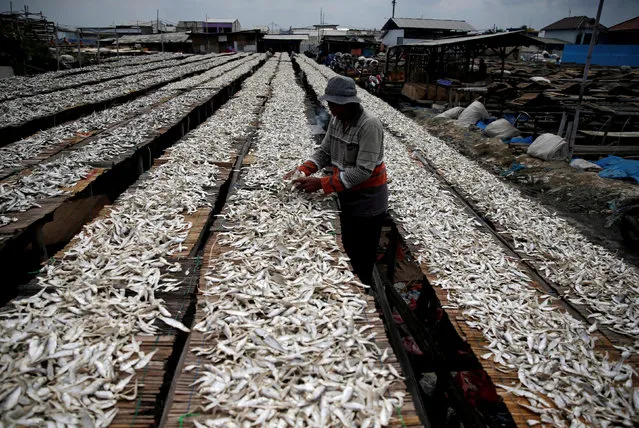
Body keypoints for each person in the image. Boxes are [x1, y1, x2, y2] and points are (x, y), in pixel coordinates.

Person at [284, 76, 388, 285]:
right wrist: (303, 171)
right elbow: (325, 152)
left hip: (368, 202)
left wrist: (321, 184)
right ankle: (347, 280)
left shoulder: (370, 125)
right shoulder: (337, 120)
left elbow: (362, 171)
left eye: (333, 104)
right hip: (346, 195)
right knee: (347, 245)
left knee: (362, 255)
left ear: (347, 103)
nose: (329, 107)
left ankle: (363, 290)